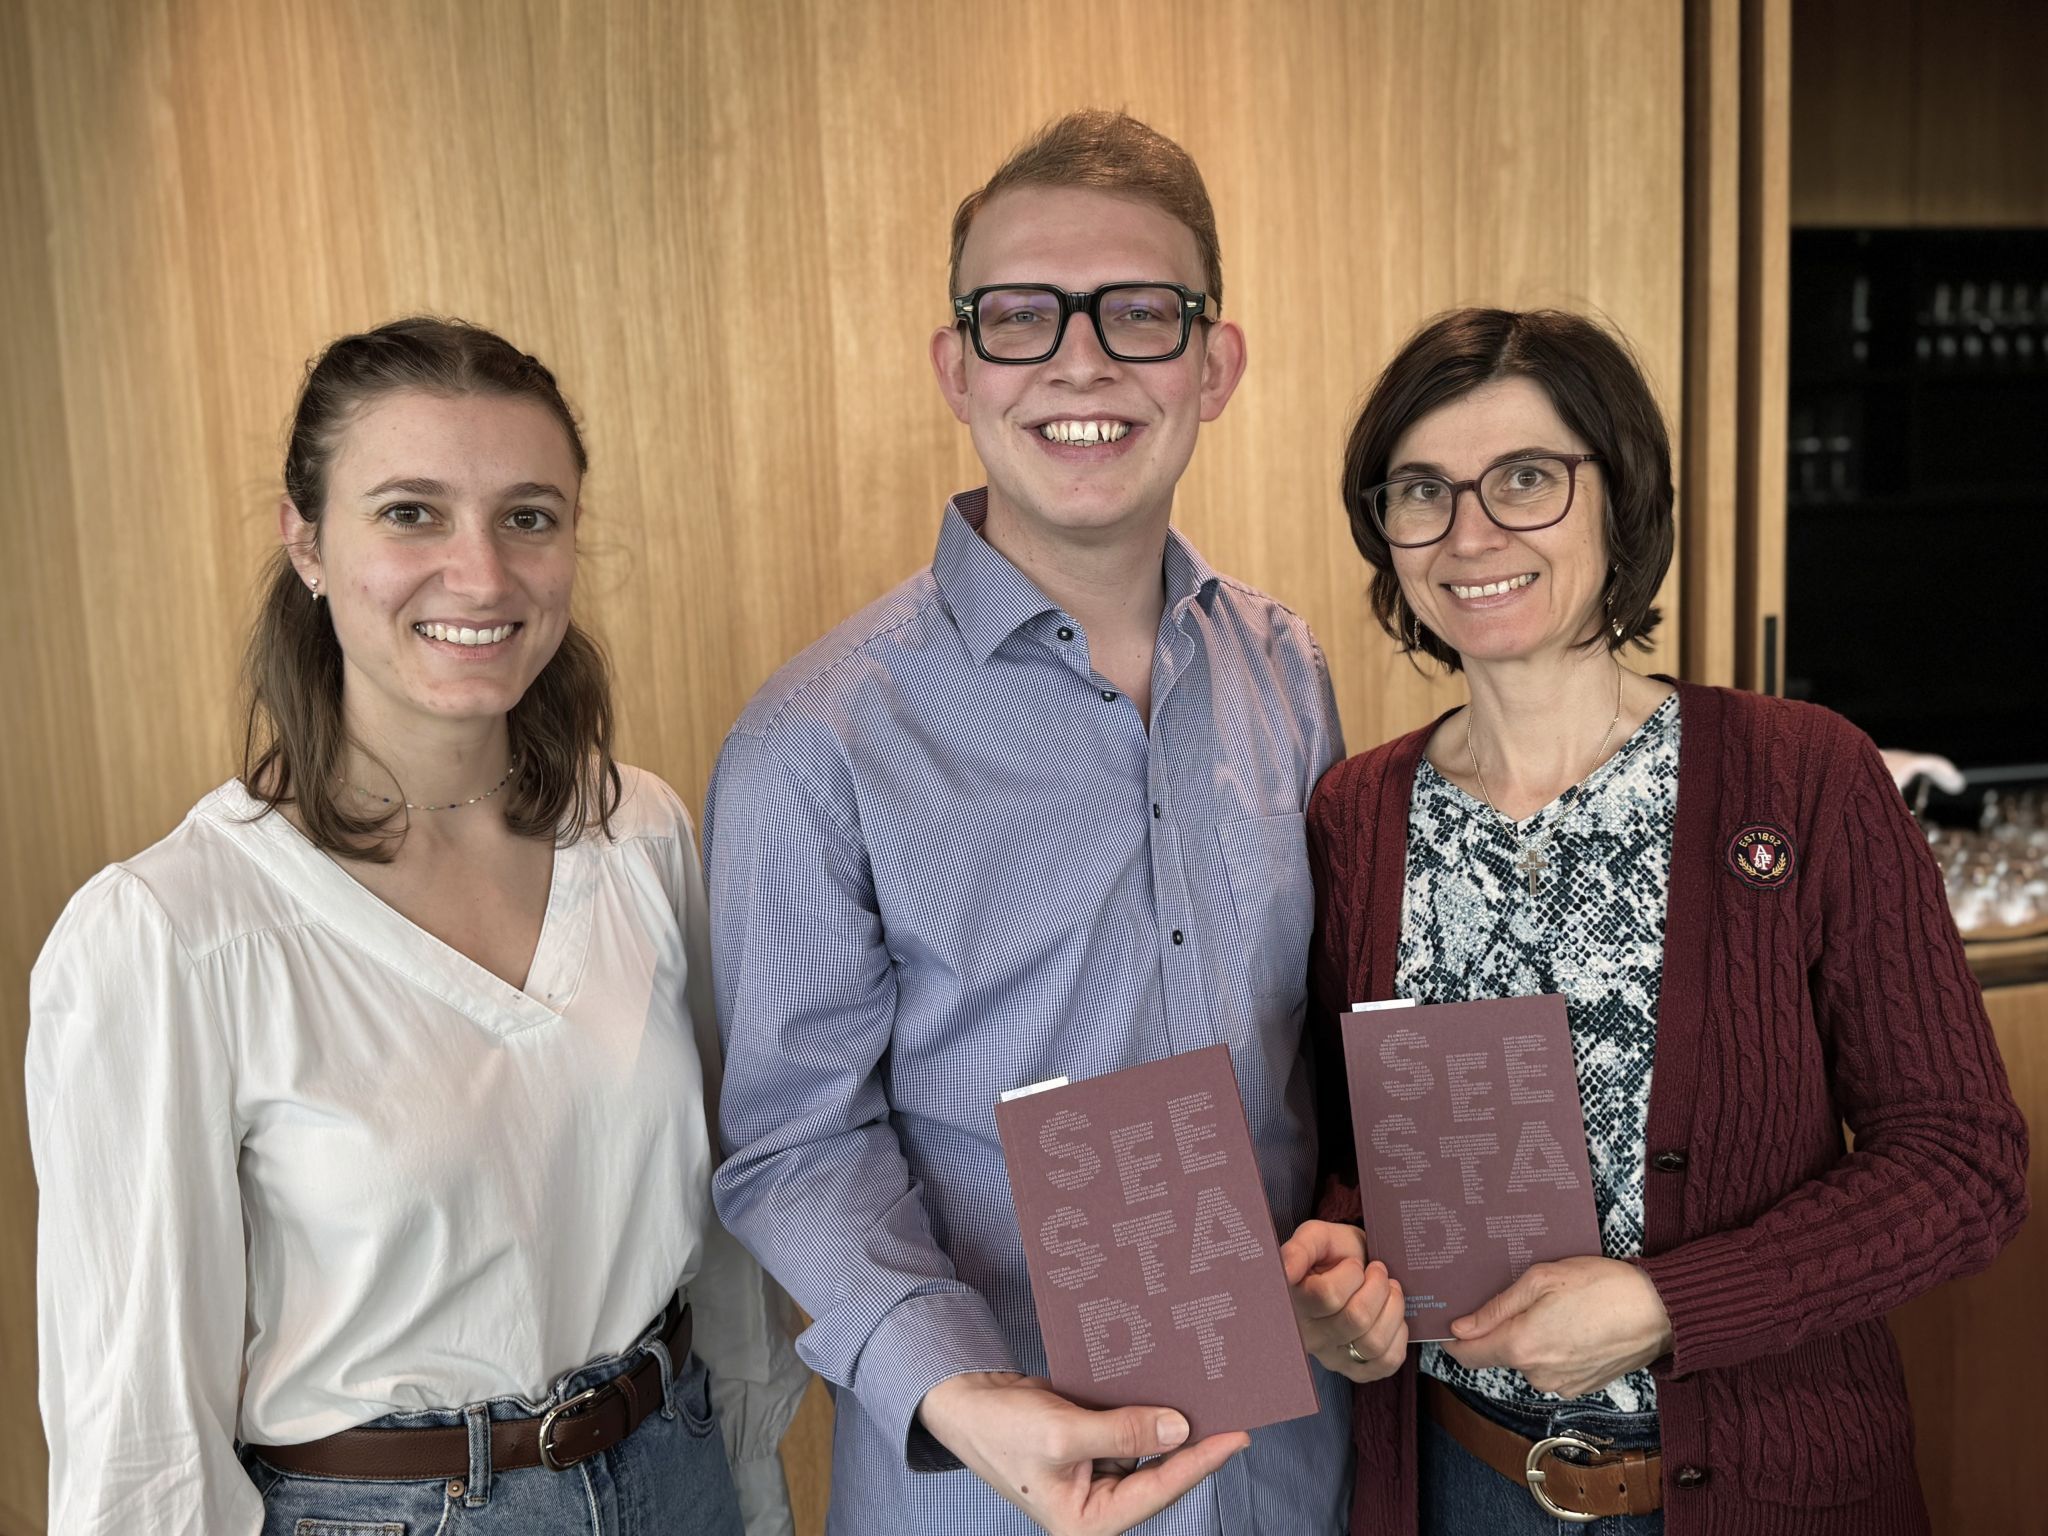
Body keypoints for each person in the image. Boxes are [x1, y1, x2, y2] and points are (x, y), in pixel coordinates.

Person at [28, 317, 806, 1536]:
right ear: (307, 541)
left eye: (528, 517)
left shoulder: (640, 835)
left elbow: (722, 1250)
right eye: (409, 513)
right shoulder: (171, 936)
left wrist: (751, 1493)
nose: (482, 574)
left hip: (675, 1469)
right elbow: (139, 1435)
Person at [704, 110, 1353, 1536]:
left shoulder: (1289, 670)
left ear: (1214, 364)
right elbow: (794, 1143)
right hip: (991, 1495)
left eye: (1139, 313)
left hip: (1293, 1474)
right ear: (955, 368)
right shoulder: (816, 739)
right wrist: (947, 1387)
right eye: (1020, 317)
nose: (1080, 359)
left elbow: (1326, 1047)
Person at [1281, 306, 2029, 1535]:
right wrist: (1341, 1286)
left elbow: (1960, 1164)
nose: (1470, 534)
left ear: (1619, 496)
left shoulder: (1801, 778)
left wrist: (1664, 1301)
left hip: (1766, 1485)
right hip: (1454, 1482)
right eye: (1419, 491)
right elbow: (1361, 1162)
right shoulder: (1357, 815)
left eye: (1524, 478)